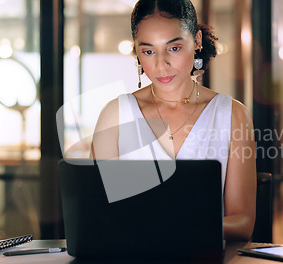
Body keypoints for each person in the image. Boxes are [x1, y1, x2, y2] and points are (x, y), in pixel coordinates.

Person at [91, 0, 256, 242]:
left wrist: (173, 230)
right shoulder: (114, 115)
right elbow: (95, 213)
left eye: (174, 48)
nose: (161, 64)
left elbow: (242, 221)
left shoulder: (232, 115)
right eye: (148, 51)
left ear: (197, 41)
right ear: (137, 51)